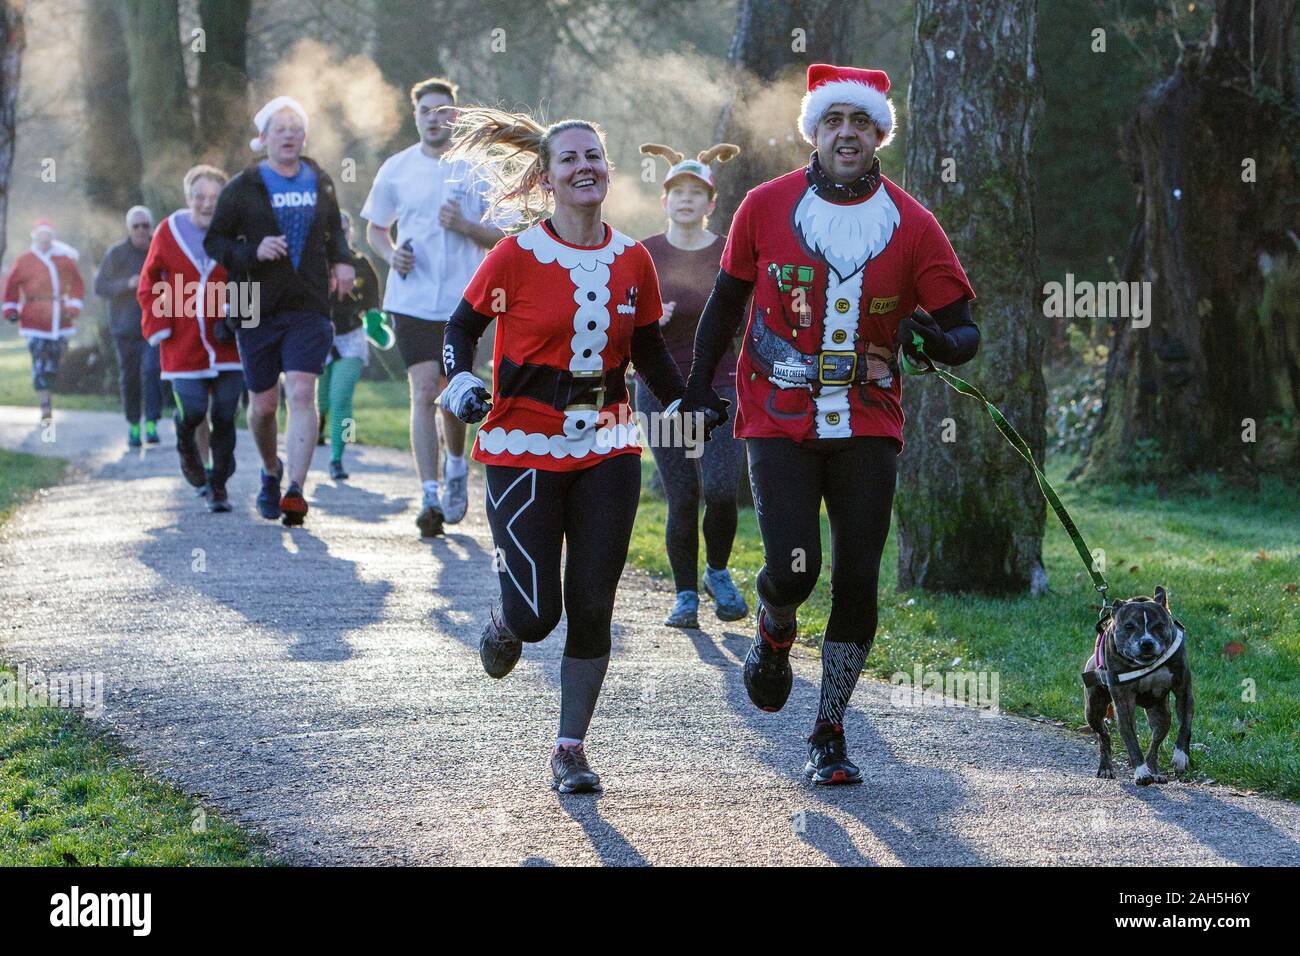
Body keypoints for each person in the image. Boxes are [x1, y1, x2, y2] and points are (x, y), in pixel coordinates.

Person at [682, 64, 981, 784]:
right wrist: (697, 390)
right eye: (833, 122)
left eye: (861, 123)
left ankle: (830, 731)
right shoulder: (763, 206)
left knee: (856, 578)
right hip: (776, 416)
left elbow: (963, 330)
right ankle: (774, 625)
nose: (846, 134)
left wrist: (935, 340)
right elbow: (725, 306)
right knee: (795, 568)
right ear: (813, 131)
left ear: (880, 133)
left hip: (869, 421)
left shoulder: (913, 223)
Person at [440, 108, 725, 794]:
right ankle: (508, 617)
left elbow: (649, 349)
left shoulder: (633, 259)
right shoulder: (515, 256)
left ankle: (571, 748)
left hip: (608, 445)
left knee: (593, 602)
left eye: (594, 156)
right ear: (547, 178)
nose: (584, 167)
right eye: (569, 159)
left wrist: (687, 400)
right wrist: (459, 380)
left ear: (609, 171)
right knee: (539, 617)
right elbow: (462, 325)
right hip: (521, 443)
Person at [361, 77, 505, 538]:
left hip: (464, 304)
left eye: (444, 110)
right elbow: (375, 230)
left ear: (455, 117)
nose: (435, 118)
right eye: (426, 110)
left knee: (452, 392)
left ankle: (457, 468)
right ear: (416, 115)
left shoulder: (476, 169)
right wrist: (391, 255)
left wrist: (465, 225)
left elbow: (503, 238)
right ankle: (427, 493)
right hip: (410, 300)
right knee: (424, 390)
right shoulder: (397, 168)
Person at [205, 95, 355, 527]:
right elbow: (215, 243)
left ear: (304, 137)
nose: (288, 134)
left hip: (307, 301)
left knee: (302, 392)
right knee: (264, 403)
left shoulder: (319, 179)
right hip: (253, 302)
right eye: (279, 128)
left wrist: (343, 261)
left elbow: (334, 233)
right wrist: (254, 250)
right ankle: (271, 472)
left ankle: (296, 489)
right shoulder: (242, 186)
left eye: (295, 128)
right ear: (264, 137)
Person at [637, 141, 750, 629]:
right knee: (683, 494)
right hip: (662, 387)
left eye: (695, 192)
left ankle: (717, 572)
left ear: (710, 202)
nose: (685, 199)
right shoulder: (644, 254)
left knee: (723, 489)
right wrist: (647, 324)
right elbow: (617, 324)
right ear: (664, 201)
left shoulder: (729, 251)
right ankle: (685, 595)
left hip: (720, 385)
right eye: (676, 191)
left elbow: (748, 318)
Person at [138, 164, 244, 512]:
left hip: (227, 342)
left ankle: (218, 484)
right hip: (182, 342)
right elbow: (149, 284)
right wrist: (159, 325)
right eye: (200, 196)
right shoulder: (169, 231)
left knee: (226, 414)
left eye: (214, 197)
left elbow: (249, 276)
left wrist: (241, 318)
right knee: (195, 409)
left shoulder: (236, 230)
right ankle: (185, 443)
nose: (207, 204)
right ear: (188, 198)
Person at [95, 206, 167, 448]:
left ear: (151, 227)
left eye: (145, 225)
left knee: (151, 371)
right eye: (136, 226)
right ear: (129, 228)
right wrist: (127, 284)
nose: (141, 230)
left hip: (153, 327)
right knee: (130, 377)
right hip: (124, 329)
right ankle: (134, 425)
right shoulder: (116, 253)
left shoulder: (160, 249)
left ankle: (152, 424)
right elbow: (100, 286)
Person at [317, 210, 380, 480]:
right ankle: (319, 426)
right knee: (322, 399)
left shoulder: (362, 264)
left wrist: (377, 326)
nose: (340, 235)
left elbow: (373, 306)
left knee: (340, 397)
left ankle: (337, 458)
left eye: (345, 229)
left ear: (351, 232)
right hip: (319, 336)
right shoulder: (316, 262)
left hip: (352, 338)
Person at [3, 219, 85, 422]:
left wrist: (74, 306)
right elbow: (11, 287)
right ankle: (45, 406)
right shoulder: (24, 260)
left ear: (52, 237)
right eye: (41, 235)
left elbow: (77, 284)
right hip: (34, 320)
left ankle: (53, 394)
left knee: (55, 362)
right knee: (39, 363)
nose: (44, 239)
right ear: (35, 236)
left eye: (48, 235)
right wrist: (11, 309)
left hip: (60, 318)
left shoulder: (64, 259)